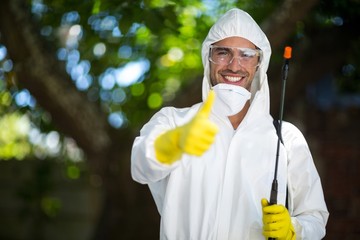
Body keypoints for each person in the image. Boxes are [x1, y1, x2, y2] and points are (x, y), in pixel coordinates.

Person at [131, 8, 329, 240]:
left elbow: (315, 217)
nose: (234, 65)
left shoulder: (286, 138)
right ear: (209, 58)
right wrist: (173, 143)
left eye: (246, 54)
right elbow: (140, 167)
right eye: (223, 53)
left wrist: (294, 230)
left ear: (258, 64)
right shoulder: (174, 121)